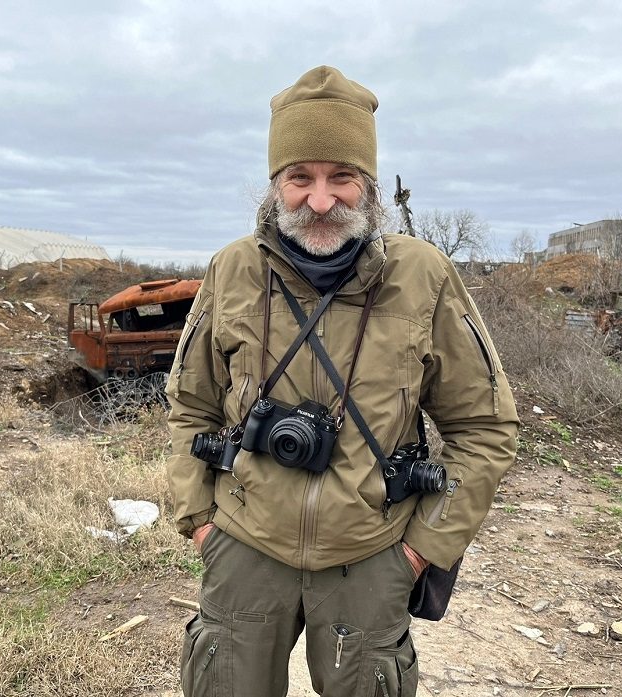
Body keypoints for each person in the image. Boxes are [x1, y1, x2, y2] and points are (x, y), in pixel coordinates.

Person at [166, 65, 519, 697]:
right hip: (245, 543)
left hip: (372, 553)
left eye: (342, 178)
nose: (321, 201)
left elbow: (485, 427)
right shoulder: (232, 270)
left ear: (371, 187)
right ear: (275, 184)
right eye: (300, 177)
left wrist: (420, 549)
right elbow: (189, 405)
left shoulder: (423, 276)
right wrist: (199, 519)